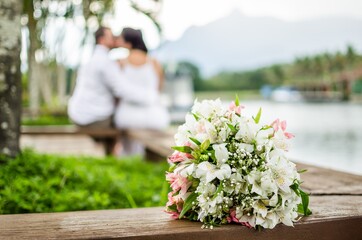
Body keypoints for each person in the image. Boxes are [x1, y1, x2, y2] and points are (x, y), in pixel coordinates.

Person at [68, 26, 158, 129]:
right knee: (123, 121)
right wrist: (149, 97)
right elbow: (122, 90)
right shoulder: (106, 62)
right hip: (92, 118)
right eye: (111, 37)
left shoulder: (93, 59)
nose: (115, 39)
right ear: (101, 40)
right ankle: (113, 145)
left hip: (77, 114)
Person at [113, 27, 170, 155]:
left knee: (127, 150)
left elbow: (117, 90)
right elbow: (159, 88)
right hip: (153, 115)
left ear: (128, 42)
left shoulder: (121, 62)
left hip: (127, 115)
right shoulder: (154, 62)